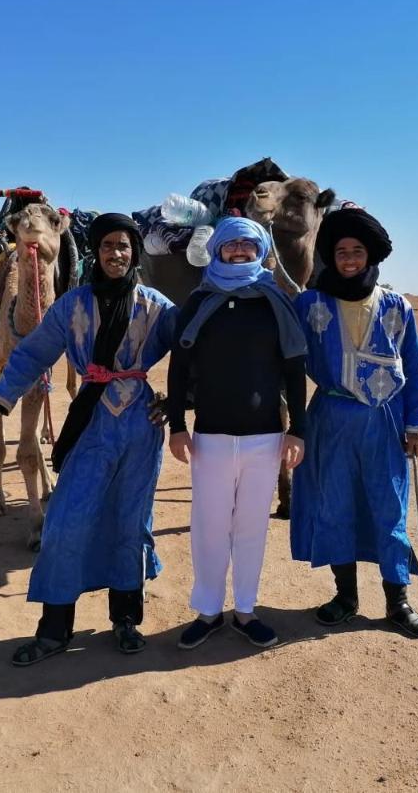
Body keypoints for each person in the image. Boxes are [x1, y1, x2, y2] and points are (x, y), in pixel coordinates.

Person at [0, 213, 177, 666]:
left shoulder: (156, 306)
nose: (116, 254)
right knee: (66, 521)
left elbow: (193, 350)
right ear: (96, 252)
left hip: (140, 425)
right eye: (107, 246)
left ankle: (125, 620)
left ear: (134, 252)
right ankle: (54, 629)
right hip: (91, 418)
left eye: (124, 246)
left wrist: (178, 399)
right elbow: (32, 354)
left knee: (131, 520)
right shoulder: (73, 306)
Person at [289, 206, 418, 638]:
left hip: (384, 420)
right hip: (331, 417)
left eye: (357, 251)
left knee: (388, 505)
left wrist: (416, 424)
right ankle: (345, 597)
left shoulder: (396, 306)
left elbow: (415, 368)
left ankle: (398, 600)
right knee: (336, 505)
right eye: (341, 251)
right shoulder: (309, 304)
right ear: (329, 257)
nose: (349, 258)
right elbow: (289, 362)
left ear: (371, 256)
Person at [166, 216, 307, 650]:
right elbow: (179, 368)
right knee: (208, 527)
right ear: (219, 250)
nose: (240, 252)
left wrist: (297, 429)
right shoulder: (199, 301)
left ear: (261, 250)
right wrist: (177, 426)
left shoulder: (274, 301)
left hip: (264, 438)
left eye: (249, 245)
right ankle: (209, 611)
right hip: (209, 437)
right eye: (233, 245)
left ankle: (245, 610)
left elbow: (293, 367)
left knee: (251, 528)